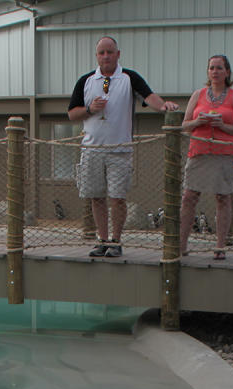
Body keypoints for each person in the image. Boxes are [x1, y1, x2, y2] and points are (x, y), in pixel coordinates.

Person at [68, 36, 179, 258]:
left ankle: (116, 241)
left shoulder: (129, 78)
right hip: (91, 149)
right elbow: (72, 113)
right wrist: (90, 109)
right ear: (97, 56)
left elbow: (149, 97)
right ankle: (102, 239)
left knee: (117, 197)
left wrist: (164, 106)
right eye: (102, 53)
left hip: (119, 150)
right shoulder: (86, 80)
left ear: (118, 54)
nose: (106, 56)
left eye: (110, 52)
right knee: (96, 196)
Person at [178, 55, 233, 260]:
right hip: (199, 152)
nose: (215, 72)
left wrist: (224, 126)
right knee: (189, 197)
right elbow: (183, 125)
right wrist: (197, 122)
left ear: (227, 72)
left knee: (223, 197)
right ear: (208, 72)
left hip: (224, 154)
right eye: (212, 68)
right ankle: (182, 244)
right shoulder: (197, 95)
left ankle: (220, 246)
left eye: (219, 68)